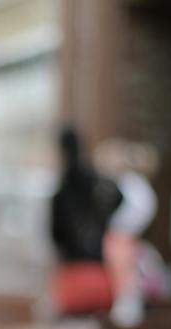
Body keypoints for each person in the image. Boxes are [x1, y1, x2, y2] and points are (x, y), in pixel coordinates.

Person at [49, 128, 124, 316]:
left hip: (73, 274)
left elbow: (55, 236)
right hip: (101, 274)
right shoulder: (96, 183)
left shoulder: (63, 192)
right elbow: (119, 197)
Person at [93, 139, 160, 328]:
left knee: (124, 278)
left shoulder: (130, 186)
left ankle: (126, 310)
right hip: (123, 237)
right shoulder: (132, 186)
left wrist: (120, 231)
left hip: (122, 236)